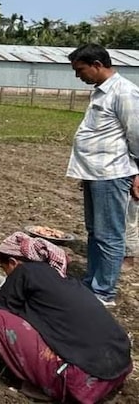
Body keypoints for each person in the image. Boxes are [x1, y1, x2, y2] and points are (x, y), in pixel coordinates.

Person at [0, 232, 132, 403]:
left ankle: (44, 386)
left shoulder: (23, 271)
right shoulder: (61, 279)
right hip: (118, 368)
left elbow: (0, 312)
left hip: (79, 381)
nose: (7, 277)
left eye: (4, 269)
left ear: (13, 263)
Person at [66, 43, 139, 306]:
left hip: (111, 173)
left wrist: (138, 172)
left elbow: (137, 135)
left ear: (97, 65)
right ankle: (92, 283)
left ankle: (104, 292)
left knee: (109, 235)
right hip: (95, 173)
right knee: (95, 231)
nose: (78, 76)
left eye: (81, 70)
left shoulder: (125, 92)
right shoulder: (100, 92)